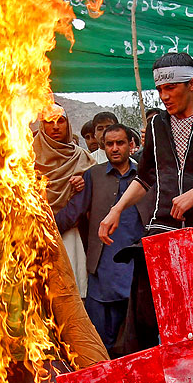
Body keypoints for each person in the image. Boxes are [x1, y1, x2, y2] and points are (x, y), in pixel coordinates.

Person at [98, 53, 193, 319]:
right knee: (168, 319)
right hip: (165, 233)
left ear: (192, 84)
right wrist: (117, 209)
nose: (164, 96)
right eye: (160, 89)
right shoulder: (157, 124)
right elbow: (145, 178)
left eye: (170, 87)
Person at [56, 123, 148, 370]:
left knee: (137, 344)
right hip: (102, 269)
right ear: (103, 146)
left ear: (131, 145)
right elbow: (72, 213)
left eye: (120, 143)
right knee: (100, 343)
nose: (115, 148)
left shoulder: (146, 177)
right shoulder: (93, 176)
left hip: (137, 269)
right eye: (109, 144)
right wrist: (44, 229)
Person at [34, 102, 96, 296]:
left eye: (60, 121)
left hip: (71, 232)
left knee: (70, 292)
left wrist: (86, 184)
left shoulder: (82, 157)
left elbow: (100, 195)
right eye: (49, 121)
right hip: (34, 234)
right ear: (42, 125)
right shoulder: (25, 157)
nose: (55, 127)